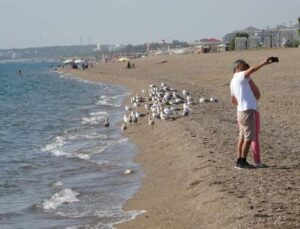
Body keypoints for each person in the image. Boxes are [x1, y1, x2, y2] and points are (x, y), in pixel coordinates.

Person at [230, 57, 274, 168]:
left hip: (240, 111)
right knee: (249, 137)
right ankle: (243, 161)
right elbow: (252, 70)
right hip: (247, 111)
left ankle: (239, 159)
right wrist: (263, 63)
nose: (247, 71)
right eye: (245, 68)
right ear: (239, 67)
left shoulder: (233, 81)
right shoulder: (240, 76)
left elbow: (233, 100)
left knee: (242, 137)